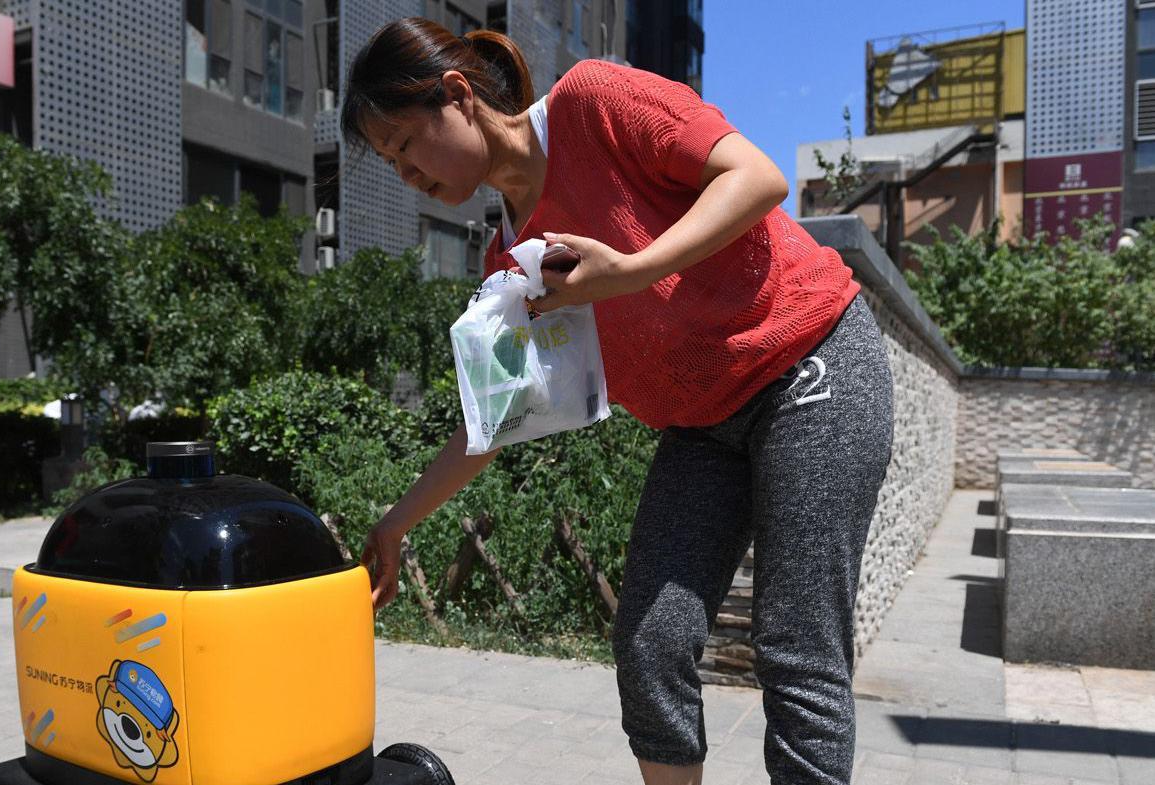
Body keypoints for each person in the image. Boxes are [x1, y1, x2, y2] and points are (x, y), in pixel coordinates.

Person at [341, 17, 893, 785]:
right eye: (388, 162)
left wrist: (631, 269)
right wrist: (396, 523)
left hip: (808, 362)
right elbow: (496, 419)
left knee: (796, 645)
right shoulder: (512, 264)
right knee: (649, 640)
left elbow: (758, 178)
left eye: (404, 145)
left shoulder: (594, 101)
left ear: (457, 97)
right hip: (704, 427)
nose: (404, 173)